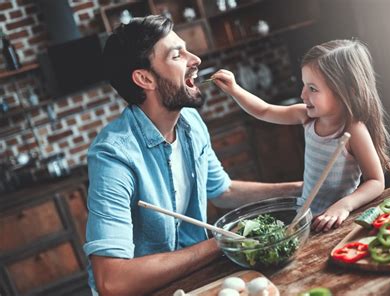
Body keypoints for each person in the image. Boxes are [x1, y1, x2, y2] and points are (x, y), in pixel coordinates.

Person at [84, 15, 302, 296]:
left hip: (196, 282)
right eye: (177, 55)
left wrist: (301, 190)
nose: (195, 58)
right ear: (145, 78)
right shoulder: (113, 156)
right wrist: (222, 242)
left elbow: (222, 190)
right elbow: (112, 282)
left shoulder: (190, 122)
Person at [212, 39, 390, 234]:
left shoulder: (353, 130)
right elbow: (264, 111)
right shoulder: (306, 117)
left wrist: (344, 206)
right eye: (304, 85)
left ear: (346, 92)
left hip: (336, 222)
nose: (303, 94)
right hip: (306, 217)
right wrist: (234, 89)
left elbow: (376, 182)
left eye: (313, 88)